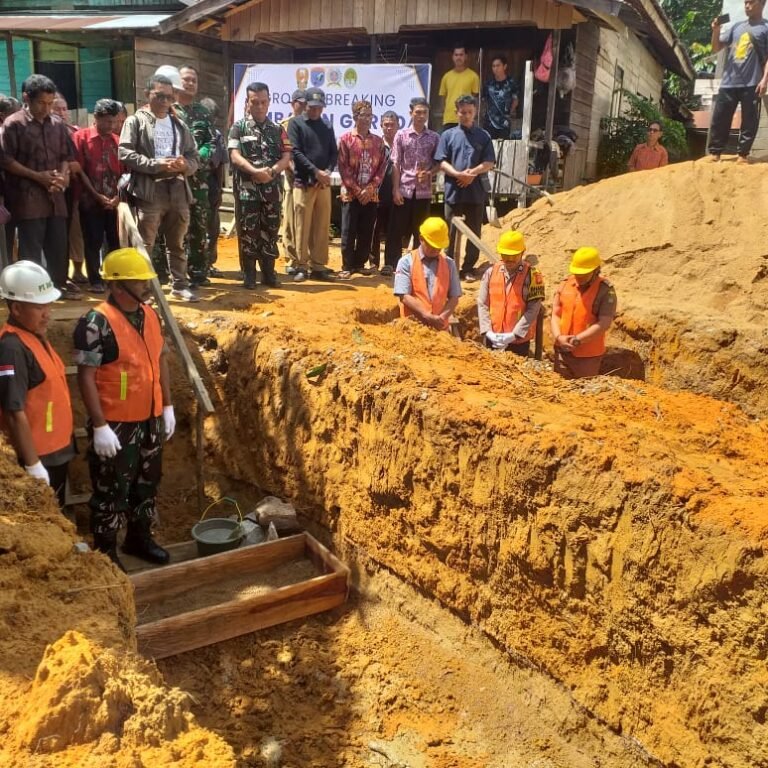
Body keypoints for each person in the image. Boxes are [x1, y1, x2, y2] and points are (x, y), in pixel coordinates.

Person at [74, 248, 175, 570]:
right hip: (116, 424)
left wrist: (167, 405)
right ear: (118, 285)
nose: (146, 285)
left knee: (147, 482)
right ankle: (106, 553)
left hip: (150, 418)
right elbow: (86, 377)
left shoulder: (149, 315)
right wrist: (100, 426)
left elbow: (160, 360)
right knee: (112, 489)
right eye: (138, 280)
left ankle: (139, 538)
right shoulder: (95, 323)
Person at [118, 73, 199, 302]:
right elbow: (124, 152)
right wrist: (155, 165)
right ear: (147, 94)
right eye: (159, 96)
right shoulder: (136, 121)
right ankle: (142, 290)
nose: (165, 101)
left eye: (169, 97)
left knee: (178, 242)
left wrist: (185, 166)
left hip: (178, 187)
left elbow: (193, 157)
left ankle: (180, 285)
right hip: (150, 189)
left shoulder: (179, 124)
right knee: (145, 243)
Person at [0, 261, 74, 508]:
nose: (47, 313)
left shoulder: (34, 336)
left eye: (48, 304)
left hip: (55, 450)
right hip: (38, 456)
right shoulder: (12, 349)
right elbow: (13, 411)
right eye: (39, 307)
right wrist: (32, 465)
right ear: (17, 308)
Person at [1, 75, 75, 298]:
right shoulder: (13, 124)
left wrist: (63, 176)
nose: (46, 108)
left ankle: (58, 287)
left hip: (56, 196)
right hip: (27, 198)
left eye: (50, 103)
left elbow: (66, 156)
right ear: (27, 98)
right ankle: (31, 293)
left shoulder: (57, 124)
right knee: (31, 249)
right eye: (41, 103)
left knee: (58, 246)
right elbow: (6, 160)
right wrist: (37, 177)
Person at [228, 81, 292, 289]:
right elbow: (234, 155)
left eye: (263, 102)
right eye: (255, 102)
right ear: (247, 103)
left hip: (272, 192)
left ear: (269, 102)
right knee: (249, 232)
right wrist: (254, 172)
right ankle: (249, 273)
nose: (259, 106)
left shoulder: (278, 130)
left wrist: (271, 172)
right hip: (248, 192)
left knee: (271, 231)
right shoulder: (238, 128)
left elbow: (286, 157)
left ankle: (268, 272)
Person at [435, 94, 495, 282]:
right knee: (450, 232)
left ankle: (468, 268)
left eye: (469, 112)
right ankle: (448, 268)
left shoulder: (483, 136)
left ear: (475, 112)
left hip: (475, 192)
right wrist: (457, 174)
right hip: (454, 191)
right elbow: (441, 161)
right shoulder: (448, 135)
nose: (466, 115)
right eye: (463, 112)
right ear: (456, 112)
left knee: (474, 232)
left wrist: (472, 173)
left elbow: (489, 162)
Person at [173, 65, 217, 287]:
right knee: (173, 225)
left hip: (198, 180)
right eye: (186, 79)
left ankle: (198, 271)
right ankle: (172, 273)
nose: (190, 83)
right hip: (172, 179)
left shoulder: (203, 113)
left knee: (199, 225)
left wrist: (198, 157)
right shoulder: (167, 110)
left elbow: (211, 141)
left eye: (194, 80)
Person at [287, 87, 338, 283]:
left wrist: (328, 171)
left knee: (322, 225)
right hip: (304, 182)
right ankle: (301, 265)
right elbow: (296, 152)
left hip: (323, 184)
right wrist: (316, 172)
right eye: (313, 107)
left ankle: (318, 265)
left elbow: (333, 152)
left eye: (319, 107)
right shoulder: (296, 123)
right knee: (302, 225)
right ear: (305, 105)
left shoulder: (327, 125)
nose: (316, 110)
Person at [72, 98, 122, 293]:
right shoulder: (81, 138)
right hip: (89, 201)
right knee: (93, 240)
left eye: (114, 121)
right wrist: (96, 195)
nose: (111, 125)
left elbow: (125, 173)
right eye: (108, 121)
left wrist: (117, 197)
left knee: (115, 241)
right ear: (97, 118)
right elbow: (78, 170)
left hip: (114, 201)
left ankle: (113, 277)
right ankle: (95, 280)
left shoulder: (117, 141)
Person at [386, 97, 440, 276]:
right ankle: (391, 264)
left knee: (421, 230)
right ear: (411, 113)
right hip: (404, 189)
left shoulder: (434, 137)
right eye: (417, 112)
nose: (421, 116)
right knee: (396, 229)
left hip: (424, 192)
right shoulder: (401, 135)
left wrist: (430, 173)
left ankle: (418, 265)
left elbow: (439, 162)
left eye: (424, 112)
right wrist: (395, 189)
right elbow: (395, 163)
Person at [708, 1, 768, 163]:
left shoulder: (766, 28)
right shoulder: (736, 27)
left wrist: (764, 79)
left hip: (752, 82)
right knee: (720, 117)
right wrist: (716, 30)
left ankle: (743, 154)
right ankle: (715, 152)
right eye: (745, 2)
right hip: (728, 82)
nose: (747, 5)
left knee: (750, 120)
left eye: (751, 2)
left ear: (762, 4)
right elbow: (716, 48)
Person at [337, 100, 386, 280]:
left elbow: (382, 168)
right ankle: (347, 265)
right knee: (348, 231)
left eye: (369, 115)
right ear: (355, 117)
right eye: (363, 115)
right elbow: (343, 168)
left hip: (371, 195)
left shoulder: (378, 141)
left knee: (366, 232)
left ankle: (360, 264)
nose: (367, 119)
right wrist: (358, 190)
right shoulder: (345, 139)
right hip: (351, 194)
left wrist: (370, 188)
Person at [551, 247, 617, 379]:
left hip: (587, 357)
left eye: (584, 274)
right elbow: (555, 314)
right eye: (577, 273)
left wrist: (578, 340)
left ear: (596, 270)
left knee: (583, 389)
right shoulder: (565, 284)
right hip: (561, 351)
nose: (579, 277)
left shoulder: (605, 290)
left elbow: (604, 323)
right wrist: (558, 337)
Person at [476, 230, 544, 357]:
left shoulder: (533, 276)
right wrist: (487, 331)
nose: (509, 260)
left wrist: (514, 335)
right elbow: (482, 303)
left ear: (522, 253)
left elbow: (533, 309)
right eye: (506, 255)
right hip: (493, 337)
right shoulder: (491, 272)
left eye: (514, 256)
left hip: (518, 342)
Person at [393, 216, 462, 330]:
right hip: (412, 329)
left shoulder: (449, 264)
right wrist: (426, 315)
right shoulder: (406, 262)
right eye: (432, 245)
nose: (436, 250)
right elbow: (404, 296)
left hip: (440, 330)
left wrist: (441, 318)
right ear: (421, 239)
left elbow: (454, 297)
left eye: (439, 247)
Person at [279, 89, 306, 276]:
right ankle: (291, 259)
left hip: (309, 181)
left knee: (305, 222)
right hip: (291, 180)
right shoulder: (285, 126)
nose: (303, 106)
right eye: (300, 103)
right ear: (292, 103)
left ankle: (305, 259)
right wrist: (295, 170)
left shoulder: (312, 124)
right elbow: (284, 153)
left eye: (305, 103)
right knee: (289, 220)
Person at [200, 97, 227, 278]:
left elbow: (220, 165)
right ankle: (196, 265)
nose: (211, 120)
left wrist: (219, 189)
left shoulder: (217, 136)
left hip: (211, 184)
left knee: (212, 227)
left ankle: (209, 263)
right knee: (196, 227)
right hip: (194, 184)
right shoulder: (188, 131)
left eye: (213, 117)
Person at [369, 110, 398, 272]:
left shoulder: (401, 144)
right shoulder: (376, 144)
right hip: (377, 193)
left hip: (395, 193)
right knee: (374, 229)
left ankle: (390, 263)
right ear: (380, 125)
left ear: (398, 126)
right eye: (386, 125)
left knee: (393, 229)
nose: (389, 128)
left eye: (392, 125)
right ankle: (373, 262)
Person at [439, 45, 480, 130]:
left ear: (466, 56)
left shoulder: (473, 76)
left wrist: (472, 115)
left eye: (461, 55)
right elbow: (443, 97)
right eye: (456, 55)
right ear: (453, 57)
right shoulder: (446, 77)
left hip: (466, 118)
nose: (458, 57)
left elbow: (475, 97)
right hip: (449, 119)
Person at [481, 56, 519, 139]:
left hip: (504, 122)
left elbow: (515, 100)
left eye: (498, 65)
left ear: (504, 66)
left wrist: (510, 112)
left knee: (505, 145)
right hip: (489, 122)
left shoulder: (511, 83)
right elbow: (483, 101)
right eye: (493, 66)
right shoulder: (488, 84)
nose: (495, 68)